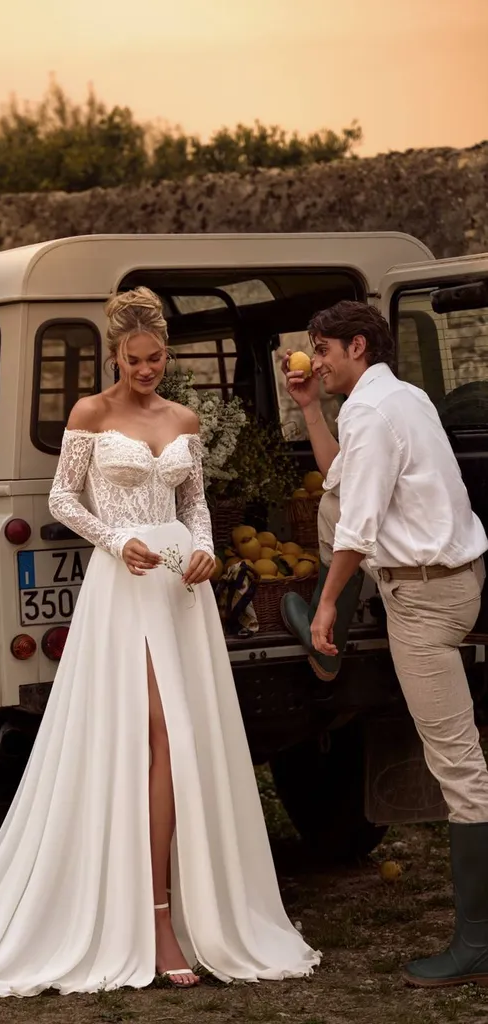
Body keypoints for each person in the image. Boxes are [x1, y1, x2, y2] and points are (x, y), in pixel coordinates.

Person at [0, 287, 319, 996]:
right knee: (157, 734)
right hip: (126, 585)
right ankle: (153, 921)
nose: (148, 369)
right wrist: (117, 540)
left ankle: (193, 905)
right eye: (135, 359)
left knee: (186, 742)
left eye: (157, 358)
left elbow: (195, 504)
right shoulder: (92, 413)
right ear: (115, 353)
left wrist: (207, 552)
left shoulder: (183, 418)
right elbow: (64, 498)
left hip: (181, 587)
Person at [281, 299, 488, 988]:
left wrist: (329, 604)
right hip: (449, 583)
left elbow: (358, 527)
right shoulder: (401, 398)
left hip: (423, 600)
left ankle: (476, 943)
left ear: (359, 346)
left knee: (461, 771)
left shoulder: (372, 412)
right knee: (332, 496)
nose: (317, 357)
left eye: (324, 349)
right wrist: (311, 407)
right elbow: (343, 482)